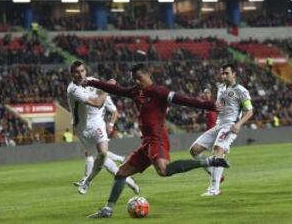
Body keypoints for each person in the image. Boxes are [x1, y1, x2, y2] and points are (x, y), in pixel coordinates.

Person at [84, 63, 229, 218]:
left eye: (139, 78)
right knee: (121, 173)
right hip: (146, 142)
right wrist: (90, 82)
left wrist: (209, 105)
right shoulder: (135, 92)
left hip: (157, 139)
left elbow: (183, 100)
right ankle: (108, 210)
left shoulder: (159, 92)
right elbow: (116, 89)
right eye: (134, 79)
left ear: (148, 75)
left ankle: (209, 162)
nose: (136, 82)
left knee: (163, 170)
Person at [67, 60, 139, 195]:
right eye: (76, 72)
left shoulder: (93, 81)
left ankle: (87, 182)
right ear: (72, 74)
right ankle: (126, 178)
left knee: (103, 154)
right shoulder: (73, 90)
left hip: (97, 124)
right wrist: (108, 87)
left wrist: (107, 87)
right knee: (102, 159)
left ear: (85, 71)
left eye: (82, 71)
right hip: (81, 129)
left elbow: (108, 103)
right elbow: (97, 102)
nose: (80, 74)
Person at [189, 63, 253, 196]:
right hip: (218, 125)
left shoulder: (241, 90)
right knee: (194, 150)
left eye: (227, 73)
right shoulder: (220, 88)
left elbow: (249, 111)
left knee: (218, 150)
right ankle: (214, 173)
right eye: (222, 73)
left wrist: (239, 124)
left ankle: (214, 189)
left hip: (230, 125)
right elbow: (221, 105)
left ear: (234, 74)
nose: (223, 75)